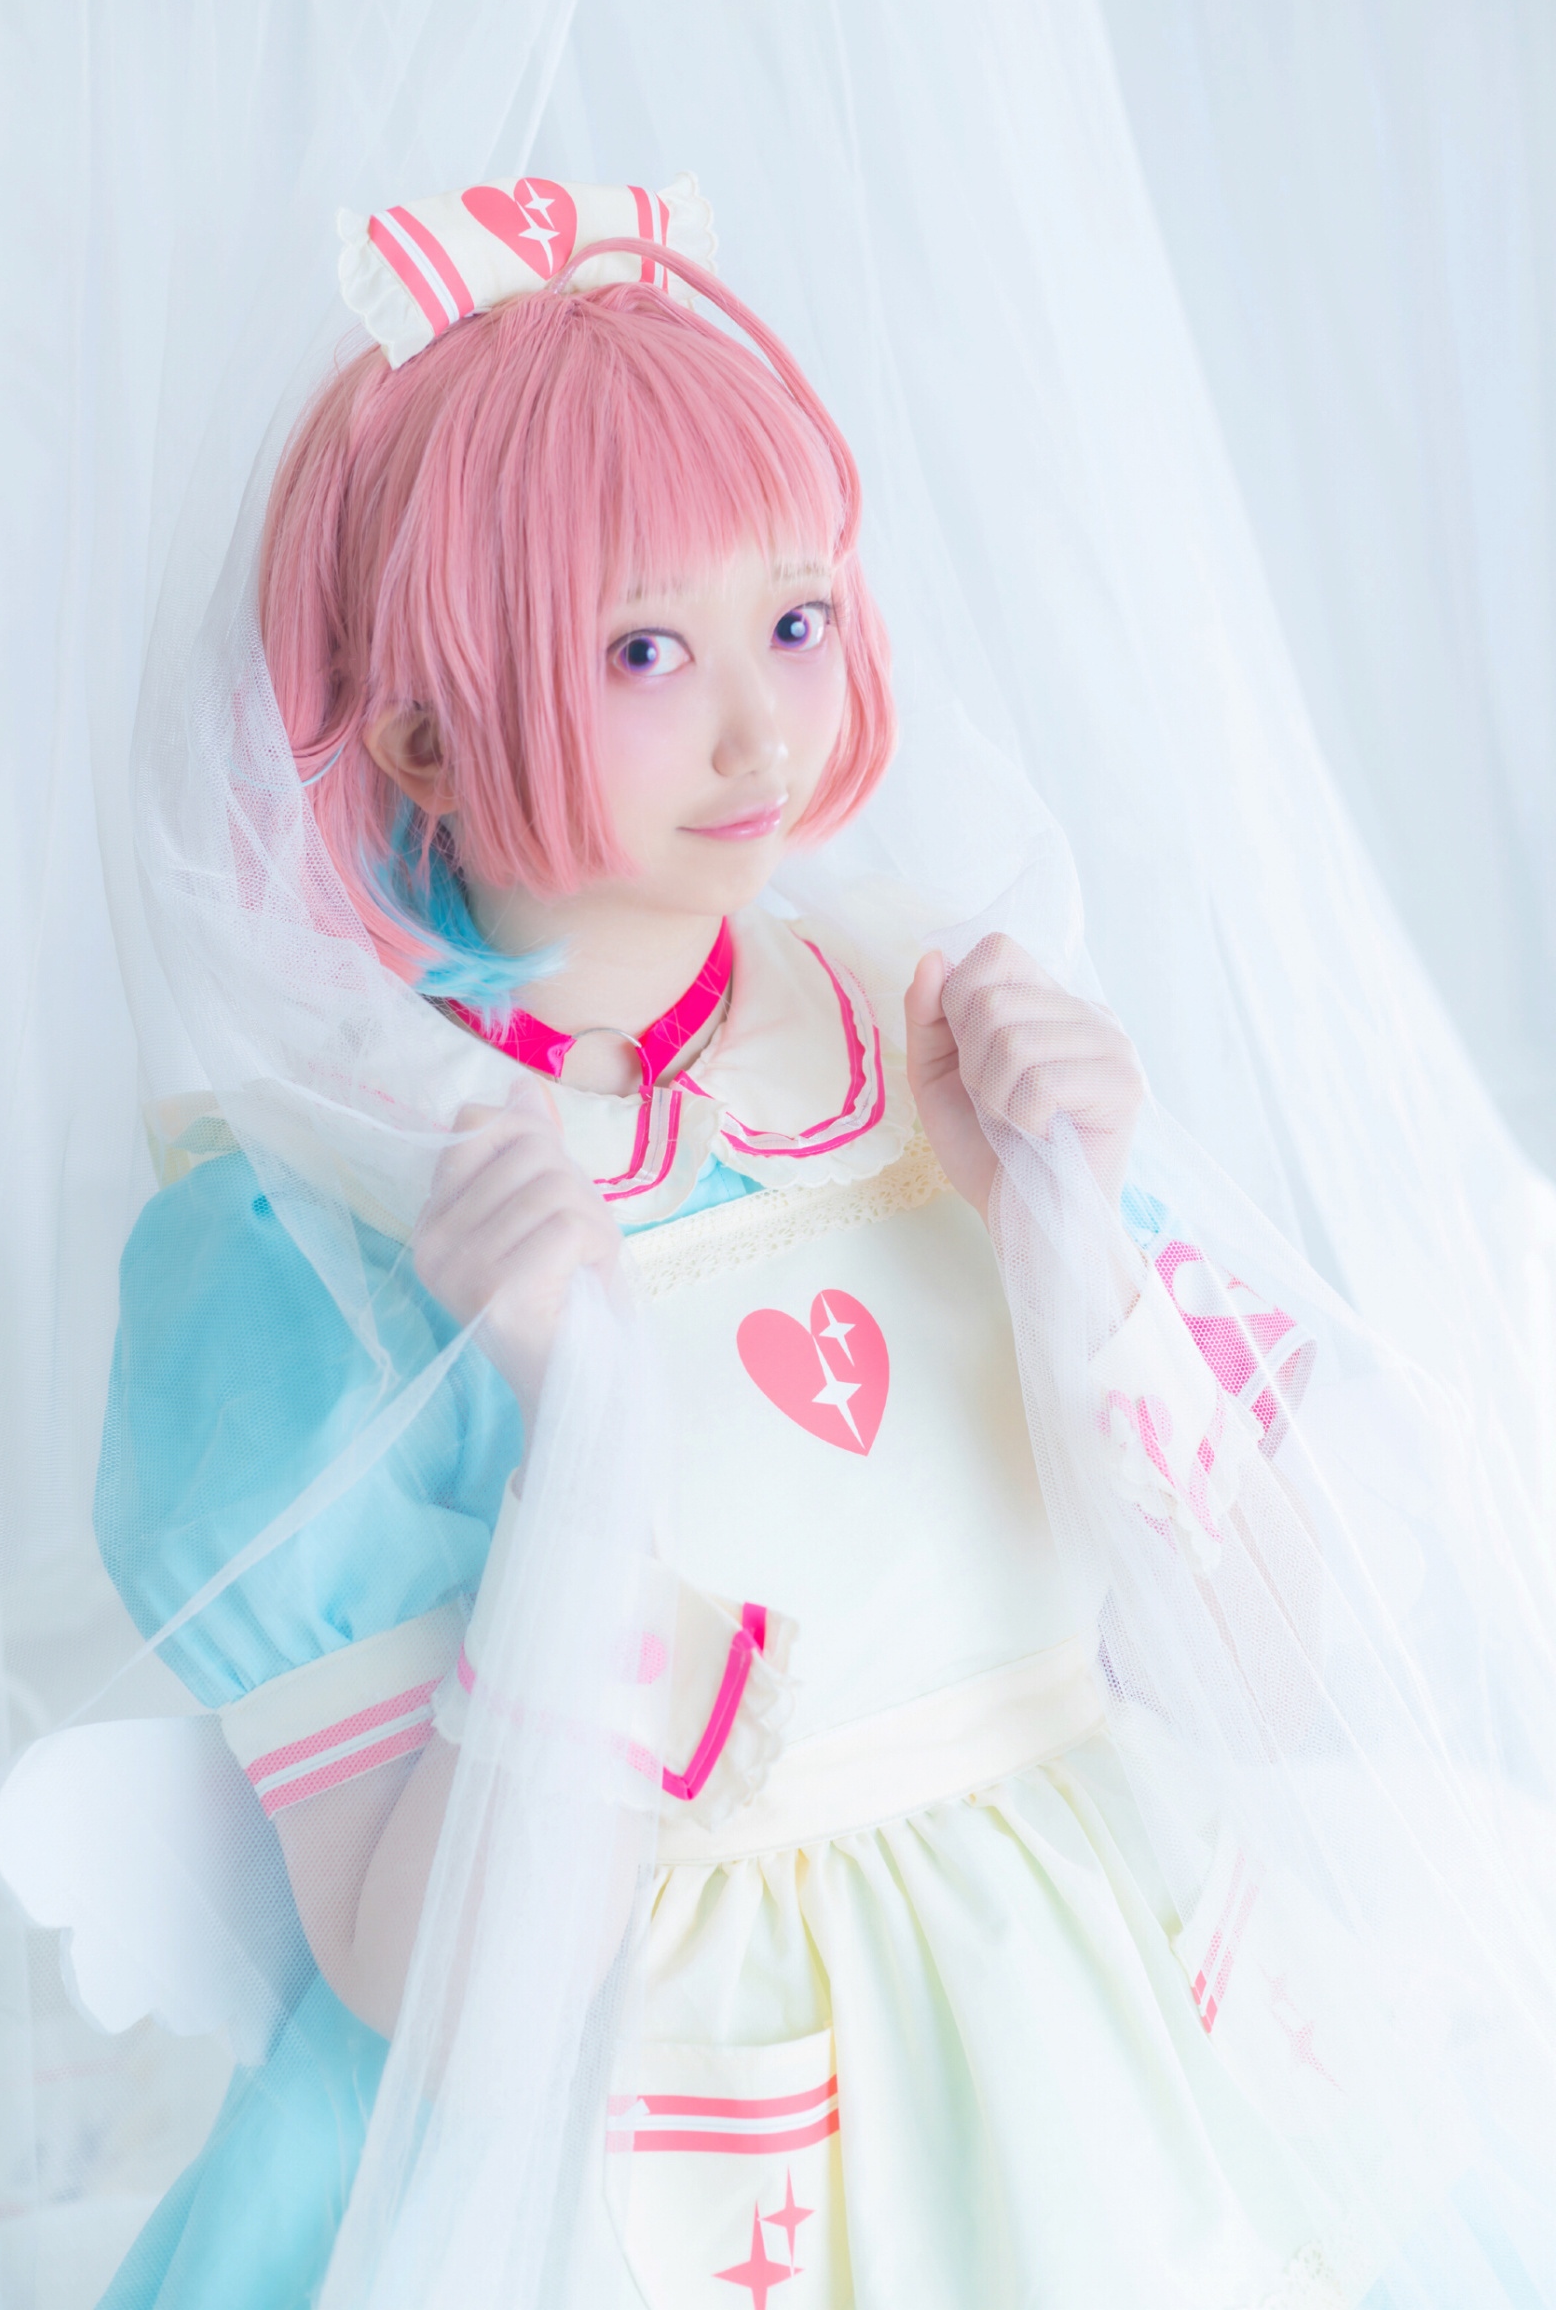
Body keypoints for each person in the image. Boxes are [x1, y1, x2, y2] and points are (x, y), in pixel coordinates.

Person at [88, 184, 1546, 2310]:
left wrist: (1063, 1232)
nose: (765, 732)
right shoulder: (317, 1226)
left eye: (795, 618)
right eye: (644, 651)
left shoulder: (925, 1015)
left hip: (1108, 2053)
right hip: (651, 2147)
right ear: (417, 734)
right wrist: (574, 1426)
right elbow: (435, 2003)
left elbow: (1256, 1679)